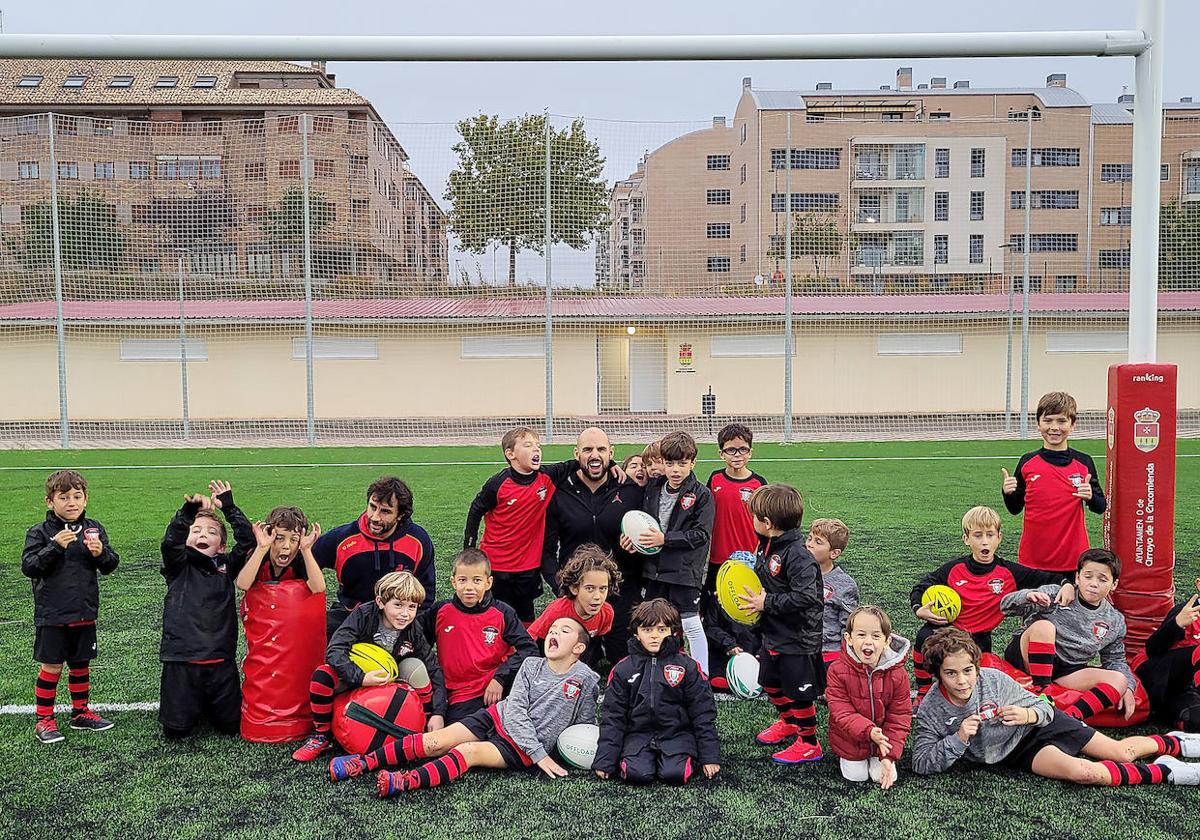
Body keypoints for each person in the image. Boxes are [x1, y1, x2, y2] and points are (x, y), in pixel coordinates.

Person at [327, 617, 600, 795]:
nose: (554, 633)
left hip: (520, 748)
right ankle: (363, 763)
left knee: (468, 752)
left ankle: (405, 781)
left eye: (564, 631)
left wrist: (551, 753)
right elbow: (514, 708)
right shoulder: (530, 665)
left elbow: (584, 725)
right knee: (435, 741)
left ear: (578, 648)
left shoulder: (586, 679)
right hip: (499, 718)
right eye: (552, 629)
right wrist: (540, 753)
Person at [911, 627, 1200, 787]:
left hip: (1041, 725)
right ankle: (1168, 771)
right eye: (951, 673)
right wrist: (958, 739)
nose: (962, 681)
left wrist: (1027, 714)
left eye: (968, 670)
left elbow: (1045, 707)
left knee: (1122, 753)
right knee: (1087, 774)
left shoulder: (994, 679)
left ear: (976, 666)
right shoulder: (931, 710)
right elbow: (921, 763)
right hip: (1019, 752)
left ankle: (1175, 743)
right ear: (938, 674)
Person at [909, 506, 1073, 700]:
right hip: (951, 630)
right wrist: (919, 609)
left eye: (990, 535)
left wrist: (1066, 584)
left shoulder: (1009, 572)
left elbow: (1047, 577)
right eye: (977, 535)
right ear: (966, 539)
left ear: (999, 537)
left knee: (977, 690)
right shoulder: (953, 569)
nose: (984, 541)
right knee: (924, 635)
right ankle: (923, 692)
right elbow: (921, 587)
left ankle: (1042, 691)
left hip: (980, 639)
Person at [293, 571, 446, 762]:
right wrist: (361, 677)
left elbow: (434, 669)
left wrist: (439, 713)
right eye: (398, 605)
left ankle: (423, 728)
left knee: (415, 666)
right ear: (381, 602)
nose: (405, 613)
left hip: (390, 683)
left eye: (412, 607)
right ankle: (322, 735)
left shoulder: (412, 628)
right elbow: (335, 649)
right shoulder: (363, 615)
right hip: (358, 677)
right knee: (322, 675)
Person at [23, 469, 120, 743]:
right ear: (49, 502)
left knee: (80, 665)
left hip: (84, 611)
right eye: (63, 497)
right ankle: (44, 720)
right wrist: (53, 547)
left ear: (86, 499)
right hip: (52, 614)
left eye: (77, 496)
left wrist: (102, 554)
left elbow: (111, 565)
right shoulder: (40, 532)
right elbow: (29, 567)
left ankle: (81, 713)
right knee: (52, 667)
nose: (71, 502)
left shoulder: (94, 529)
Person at [158, 480, 254, 739]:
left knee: (232, 727)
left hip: (220, 661)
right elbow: (170, 543)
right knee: (176, 732)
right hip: (182, 661)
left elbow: (248, 541)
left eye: (211, 532)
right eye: (196, 530)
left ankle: (209, 705)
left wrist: (229, 507)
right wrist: (186, 514)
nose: (202, 535)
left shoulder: (226, 566)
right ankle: (188, 707)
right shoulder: (178, 565)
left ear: (221, 545)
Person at [737, 484, 825, 764]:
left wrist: (767, 604)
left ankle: (809, 742)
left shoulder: (798, 556)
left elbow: (807, 597)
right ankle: (788, 724)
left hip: (798, 638)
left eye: (755, 517)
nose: (752, 521)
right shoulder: (767, 544)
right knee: (770, 683)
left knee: (799, 694)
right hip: (774, 633)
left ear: (768, 523)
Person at [541, 427, 644, 661]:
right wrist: (562, 587)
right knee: (574, 662)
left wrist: (637, 547)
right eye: (587, 449)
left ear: (611, 453)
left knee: (625, 661)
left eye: (601, 449)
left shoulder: (630, 491)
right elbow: (547, 552)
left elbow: (649, 539)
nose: (594, 455)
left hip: (621, 590)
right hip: (578, 595)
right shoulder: (559, 492)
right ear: (576, 454)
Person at [1001, 547, 1138, 721]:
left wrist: (1128, 688)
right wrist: (1027, 596)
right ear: (1077, 577)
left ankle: (1069, 719)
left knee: (1119, 680)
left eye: (1102, 579)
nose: (1094, 583)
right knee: (1044, 627)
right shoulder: (1057, 592)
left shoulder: (1115, 620)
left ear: (1114, 584)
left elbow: (1115, 660)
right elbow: (1005, 607)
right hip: (1029, 654)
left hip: (1068, 670)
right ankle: (1043, 694)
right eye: (1088, 576)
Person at [594, 598, 720, 785]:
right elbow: (613, 716)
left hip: (677, 735)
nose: (654, 636)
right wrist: (605, 761)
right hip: (637, 736)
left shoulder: (688, 667)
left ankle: (683, 757)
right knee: (637, 776)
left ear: (673, 632)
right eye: (647, 630)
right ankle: (634, 759)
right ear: (636, 633)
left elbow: (703, 713)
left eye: (662, 630)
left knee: (675, 775)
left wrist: (710, 757)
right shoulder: (623, 669)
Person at [464, 427, 581, 624]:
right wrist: (469, 547)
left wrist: (611, 465)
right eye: (528, 445)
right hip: (497, 565)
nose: (536, 450)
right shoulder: (497, 484)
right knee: (494, 616)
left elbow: (576, 464)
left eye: (538, 445)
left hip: (529, 566)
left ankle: (525, 651)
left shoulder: (547, 476)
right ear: (510, 454)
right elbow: (476, 509)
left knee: (526, 614)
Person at [622, 431, 714, 674]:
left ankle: (701, 673)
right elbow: (643, 522)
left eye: (682, 464)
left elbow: (700, 535)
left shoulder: (702, 495)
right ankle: (653, 669)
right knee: (653, 623)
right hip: (653, 571)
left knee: (690, 624)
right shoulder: (653, 487)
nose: (676, 470)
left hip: (684, 573)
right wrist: (632, 539)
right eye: (670, 463)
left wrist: (666, 539)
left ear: (692, 463)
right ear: (662, 462)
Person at [418, 548, 537, 724]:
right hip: (454, 694)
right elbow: (416, 638)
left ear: (488, 583)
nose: (469, 588)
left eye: (477, 580)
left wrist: (500, 678)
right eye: (463, 580)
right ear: (453, 582)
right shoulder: (440, 611)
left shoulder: (502, 613)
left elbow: (529, 648)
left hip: (491, 690)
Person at [312, 476, 435, 639]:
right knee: (321, 632)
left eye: (385, 511)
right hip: (351, 616)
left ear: (401, 515)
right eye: (373, 507)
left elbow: (426, 592)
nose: (375, 517)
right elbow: (303, 566)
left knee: (416, 656)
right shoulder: (343, 538)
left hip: (398, 619)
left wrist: (404, 623)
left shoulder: (418, 541)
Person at [1002, 391, 1106, 572]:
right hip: (1033, 558)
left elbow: (1100, 507)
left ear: (1072, 425)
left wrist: (1090, 496)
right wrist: (1007, 492)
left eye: (1061, 421)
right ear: (1038, 424)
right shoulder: (1027, 462)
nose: (1054, 427)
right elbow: (1014, 508)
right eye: (1048, 421)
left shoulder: (1084, 462)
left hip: (1072, 559)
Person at [825, 606, 911, 789]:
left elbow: (900, 716)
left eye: (876, 636)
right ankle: (854, 757)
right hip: (850, 741)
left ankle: (878, 758)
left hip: (883, 742)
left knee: (885, 776)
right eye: (861, 635)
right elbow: (841, 712)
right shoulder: (836, 670)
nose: (868, 642)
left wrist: (888, 755)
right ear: (849, 638)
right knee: (856, 776)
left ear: (887, 641)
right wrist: (869, 731)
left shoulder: (899, 675)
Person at [529, 544, 620, 668]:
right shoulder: (557, 611)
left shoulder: (606, 612)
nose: (597, 596)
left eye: (603, 588)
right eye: (590, 588)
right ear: (574, 588)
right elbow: (533, 640)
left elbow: (594, 643)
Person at [706, 423, 767, 593]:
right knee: (713, 605)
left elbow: (765, 523)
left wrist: (756, 554)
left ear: (750, 452)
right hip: (719, 557)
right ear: (721, 454)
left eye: (743, 449)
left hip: (749, 558)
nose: (737, 455)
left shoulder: (759, 483)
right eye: (731, 450)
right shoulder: (715, 479)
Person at [1133, 579, 1200, 733]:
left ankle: (1166, 714)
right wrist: (1176, 624)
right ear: (1198, 584)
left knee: (1196, 721)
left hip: (1182, 690)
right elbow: (1153, 649)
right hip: (1157, 674)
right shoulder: (1186, 611)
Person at [234, 506, 324, 593]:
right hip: (260, 606)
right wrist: (261, 548)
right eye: (279, 538)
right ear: (269, 537)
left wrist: (306, 550)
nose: (286, 546)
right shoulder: (260, 555)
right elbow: (243, 584)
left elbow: (318, 588)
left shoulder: (300, 558)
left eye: (294, 539)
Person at [809, 518, 858, 668]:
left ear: (834, 553)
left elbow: (849, 626)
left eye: (818, 542)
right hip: (799, 649)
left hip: (829, 653)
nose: (809, 544)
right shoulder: (795, 575)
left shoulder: (844, 584)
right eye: (809, 538)